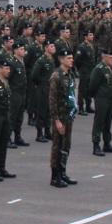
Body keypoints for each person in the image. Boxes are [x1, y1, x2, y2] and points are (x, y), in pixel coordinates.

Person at [47, 48, 79, 187]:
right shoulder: (57, 75)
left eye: (72, 58)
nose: (71, 60)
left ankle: (63, 171)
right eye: (68, 58)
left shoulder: (70, 74)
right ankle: (55, 176)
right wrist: (57, 120)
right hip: (59, 116)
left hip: (68, 116)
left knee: (66, 145)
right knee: (57, 146)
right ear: (61, 60)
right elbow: (52, 99)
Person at [89, 48, 112, 157]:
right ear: (104, 57)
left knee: (108, 121)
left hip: (110, 98)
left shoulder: (110, 68)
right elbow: (92, 85)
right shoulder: (99, 69)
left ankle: (107, 143)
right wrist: (96, 97)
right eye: (110, 58)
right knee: (99, 121)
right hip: (102, 99)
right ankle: (96, 144)